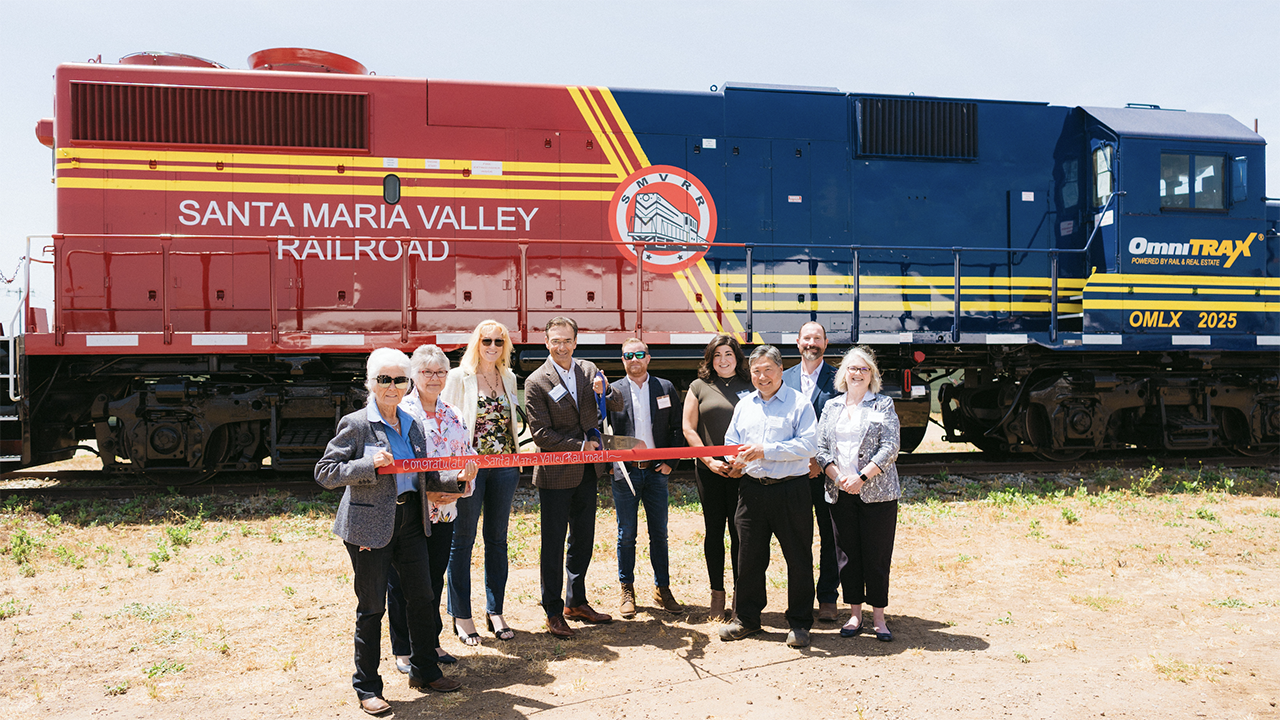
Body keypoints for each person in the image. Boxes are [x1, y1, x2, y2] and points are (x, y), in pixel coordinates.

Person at [314, 348, 469, 716]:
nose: (392, 386)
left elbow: (424, 475)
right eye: (384, 379)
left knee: (423, 598)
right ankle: (367, 687)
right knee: (371, 609)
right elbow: (325, 472)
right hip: (369, 528)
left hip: (412, 522)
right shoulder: (356, 424)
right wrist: (368, 464)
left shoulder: (411, 424)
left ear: (407, 383)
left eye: (399, 379)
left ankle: (424, 671)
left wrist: (457, 479)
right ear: (370, 383)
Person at [524, 316, 623, 637]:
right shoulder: (536, 381)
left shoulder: (589, 370)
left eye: (567, 340)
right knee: (552, 544)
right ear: (546, 342)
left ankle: (576, 601)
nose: (562, 346)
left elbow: (615, 405)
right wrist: (582, 445)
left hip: (587, 473)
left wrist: (605, 391)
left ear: (576, 342)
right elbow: (541, 434)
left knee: (583, 539)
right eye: (556, 340)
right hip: (555, 474)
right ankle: (553, 610)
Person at [719, 345, 819, 648]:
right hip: (752, 491)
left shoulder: (799, 404)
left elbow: (808, 446)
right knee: (748, 557)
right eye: (756, 371)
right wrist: (734, 459)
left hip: (791, 489)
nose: (762, 377)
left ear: (780, 370)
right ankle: (747, 619)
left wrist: (765, 450)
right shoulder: (744, 405)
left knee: (798, 558)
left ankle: (800, 623)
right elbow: (731, 440)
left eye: (768, 370)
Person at [386, 345, 477, 674]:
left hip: (446, 512)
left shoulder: (454, 413)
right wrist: (432, 492)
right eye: (427, 371)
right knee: (402, 584)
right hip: (412, 513)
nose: (434, 378)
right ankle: (403, 649)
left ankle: (430, 642)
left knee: (433, 580)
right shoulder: (401, 414)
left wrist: (461, 484)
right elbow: (400, 465)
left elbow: (467, 457)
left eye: (440, 371)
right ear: (413, 375)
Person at [440, 320, 522, 643]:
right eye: (486, 340)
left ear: (505, 346)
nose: (492, 346)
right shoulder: (460, 377)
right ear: (476, 342)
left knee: (497, 540)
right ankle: (461, 614)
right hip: (469, 469)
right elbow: (445, 420)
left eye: (498, 342)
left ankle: (495, 610)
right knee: (462, 540)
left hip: (505, 468)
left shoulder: (509, 377)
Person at [815, 346, 902, 642]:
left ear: (872, 375)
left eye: (863, 369)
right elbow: (821, 449)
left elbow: (890, 447)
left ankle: (879, 616)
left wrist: (862, 477)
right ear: (843, 373)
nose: (857, 373)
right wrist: (839, 477)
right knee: (847, 556)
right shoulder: (831, 407)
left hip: (877, 493)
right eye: (852, 368)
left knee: (876, 555)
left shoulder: (883, 404)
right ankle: (855, 614)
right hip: (840, 492)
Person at [608, 337, 685, 618]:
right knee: (626, 534)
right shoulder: (613, 392)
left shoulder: (664, 388)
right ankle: (627, 590)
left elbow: (677, 428)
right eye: (628, 355)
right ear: (623, 360)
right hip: (626, 473)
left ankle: (662, 588)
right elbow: (605, 430)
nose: (634, 359)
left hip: (656, 472)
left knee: (659, 534)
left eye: (640, 354)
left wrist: (670, 463)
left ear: (649, 358)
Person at [681, 334, 753, 621]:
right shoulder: (699, 386)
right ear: (710, 359)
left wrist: (742, 464)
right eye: (717, 355)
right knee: (714, 532)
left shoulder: (750, 385)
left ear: (737, 357)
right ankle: (716, 596)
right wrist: (708, 460)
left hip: (741, 470)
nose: (723, 360)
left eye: (729, 354)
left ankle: (740, 597)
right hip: (709, 470)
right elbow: (689, 428)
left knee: (740, 534)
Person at [781, 321, 841, 622]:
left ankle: (828, 596)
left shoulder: (837, 378)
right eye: (807, 338)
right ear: (797, 341)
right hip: (793, 471)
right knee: (797, 537)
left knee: (830, 535)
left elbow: (837, 426)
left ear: (825, 343)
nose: (811, 343)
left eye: (817, 338)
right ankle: (800, 598)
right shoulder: (784, 377)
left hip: (825, 471)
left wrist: (818, 461)